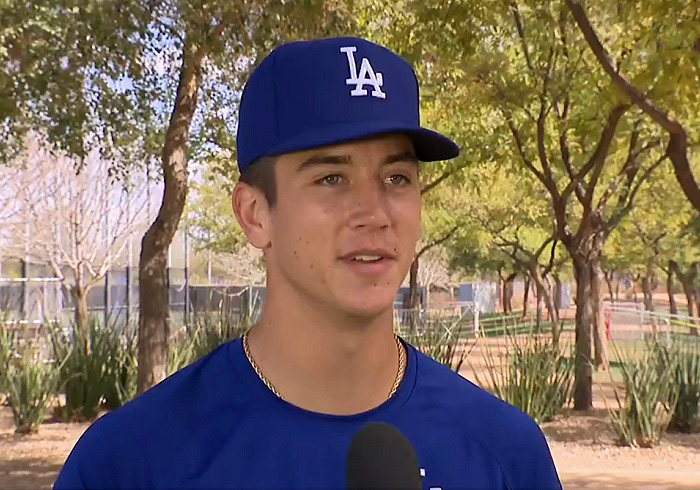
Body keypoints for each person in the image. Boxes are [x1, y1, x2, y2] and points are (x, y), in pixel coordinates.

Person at [54, 36, 561, 490]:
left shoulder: (504, 454)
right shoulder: (131, 462)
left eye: (397, 179)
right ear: (255, 215)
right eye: (331, 179)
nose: (375, 214)